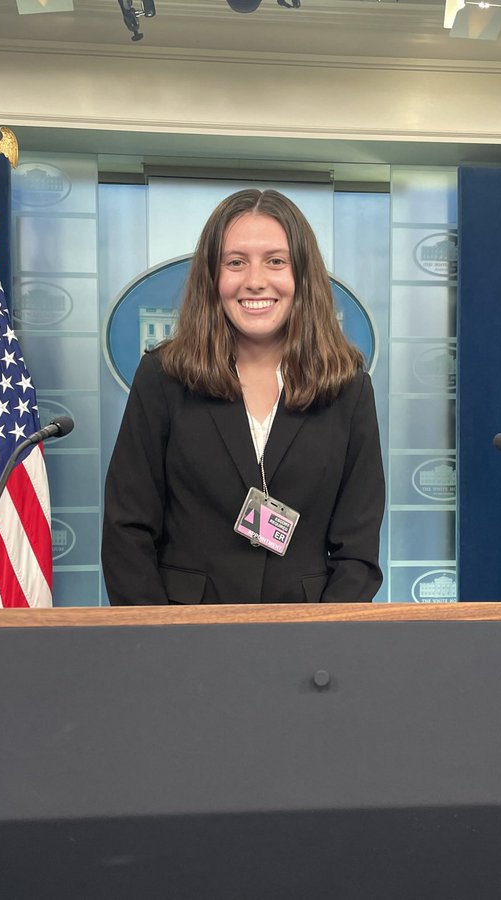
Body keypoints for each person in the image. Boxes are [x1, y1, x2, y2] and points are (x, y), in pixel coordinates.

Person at [102, 189, 385, 604]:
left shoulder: (348, 387)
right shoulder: (163, 376)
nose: (255, 280)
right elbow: (128, 529)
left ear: (301, 276)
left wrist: (325, 641)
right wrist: (158, 644)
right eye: (236, 262)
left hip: (307, 644)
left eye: (276, 261)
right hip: (184, 639)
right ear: (212, 278)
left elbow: (357, 549)